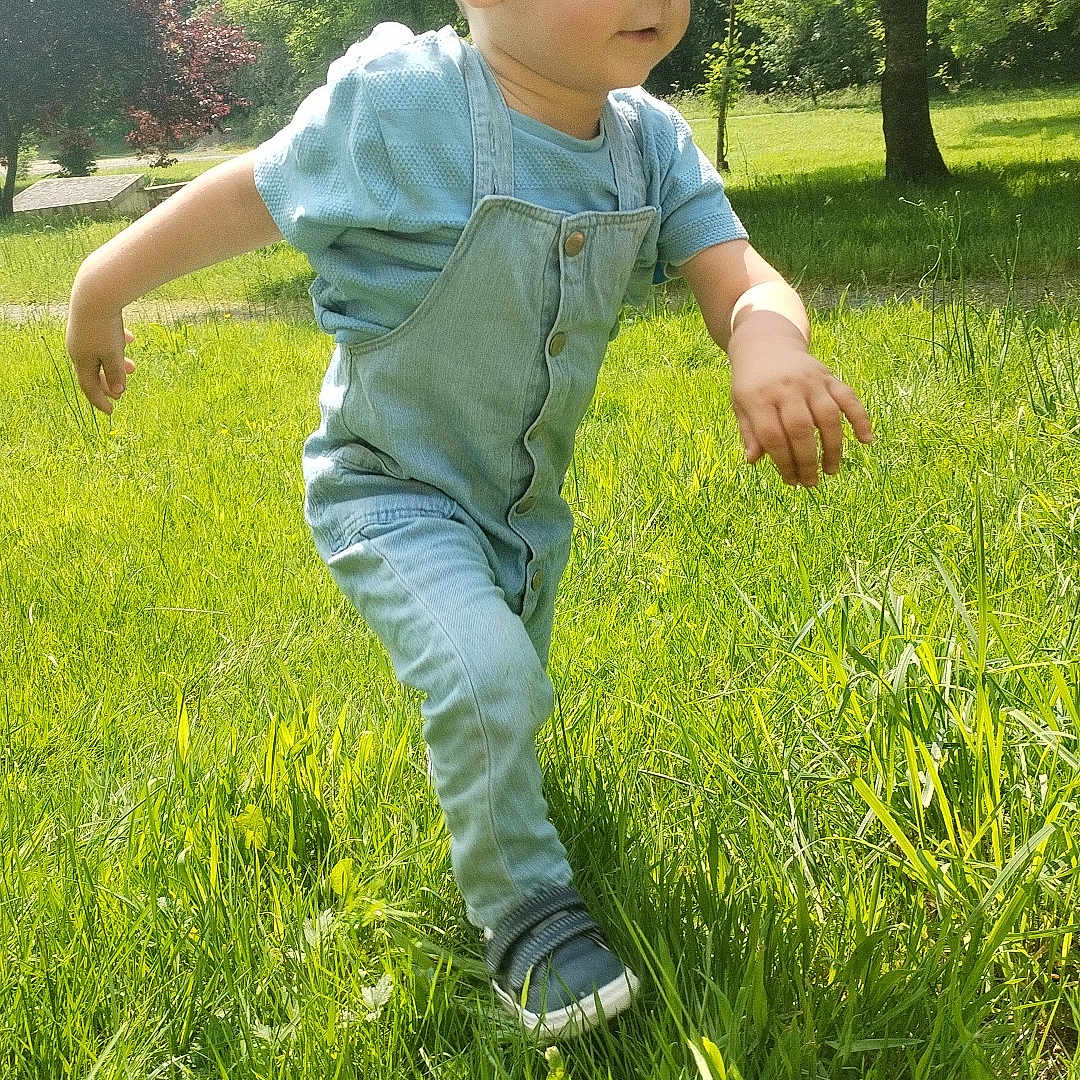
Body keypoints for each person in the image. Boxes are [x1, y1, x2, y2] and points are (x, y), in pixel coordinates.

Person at [65, 0, 873, 1044]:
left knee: (509, 690)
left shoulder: (651, 143)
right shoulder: (408, 109)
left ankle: (510, 805)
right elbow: (255, 193)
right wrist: (99, 286)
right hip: (389, 488)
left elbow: (740, 277)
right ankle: (524, 912)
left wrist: (768, 342)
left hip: (526, 511)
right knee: (488, 679)